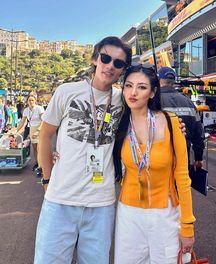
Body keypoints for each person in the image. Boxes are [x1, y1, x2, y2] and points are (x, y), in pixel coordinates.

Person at [34, 36, 132, 264]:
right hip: (60, 199)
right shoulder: (67, 91)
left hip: (101, 203)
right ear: (95, 59)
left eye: (118, 63)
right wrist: (47, 181)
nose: (110, 66)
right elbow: (46, 134)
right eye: (106, 58)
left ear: (122, 70)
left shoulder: (123, 99)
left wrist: (177, 123)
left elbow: (149, 109)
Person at [113, 63, 195, 264]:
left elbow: (183, 177)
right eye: (128, 86)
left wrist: (187, 226)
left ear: (152, 92)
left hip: (165, 215)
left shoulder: (172, 123)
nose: (133, 92)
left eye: (141, 87)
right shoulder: (118, 125)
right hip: (129, 215)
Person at [159, 66, 204, 168]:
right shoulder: (188, 102)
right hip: (182, 157)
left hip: (157, 159)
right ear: (174, 81)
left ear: (159, 80)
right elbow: (198, 133)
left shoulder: (152, 100)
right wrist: (198, 158)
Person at [17, 93, 44, 173]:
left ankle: (41, 166)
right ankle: (37, 162)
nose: (31, 101)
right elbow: (22, 122)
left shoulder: (39, 108)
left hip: (40, 128)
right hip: (31, 128)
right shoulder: (26, 110)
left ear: (35, 101)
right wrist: (16, 131)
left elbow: (44, 120)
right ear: (27, 101)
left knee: (40, 148)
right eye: (29, 100)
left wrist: (38, 130)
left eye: (32, 100)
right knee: (35, 148)